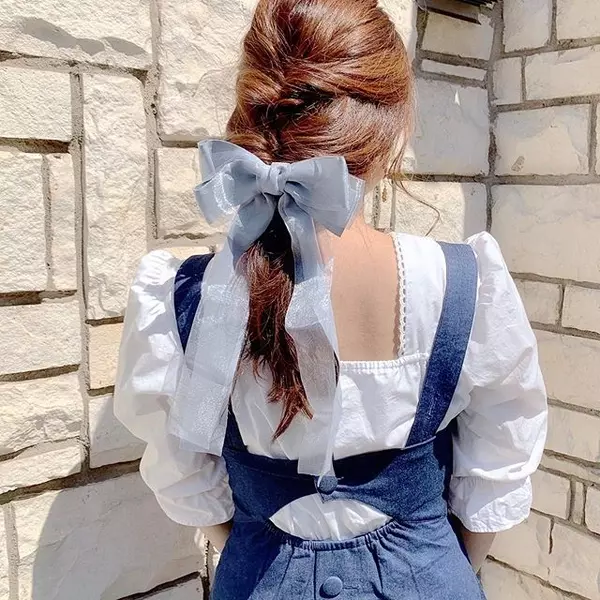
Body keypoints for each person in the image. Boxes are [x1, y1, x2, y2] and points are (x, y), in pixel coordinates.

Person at [114, 0, 547, 598]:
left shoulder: (185, 295)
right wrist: (437, 568)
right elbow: (497, 464)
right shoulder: (462, 282)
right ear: (393, 130)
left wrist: (265, 553)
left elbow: (185, 477)